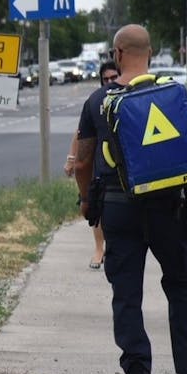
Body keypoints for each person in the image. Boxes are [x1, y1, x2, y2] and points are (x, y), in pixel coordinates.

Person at [74, 24, 187, 374]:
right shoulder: (170, 90)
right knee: (181, 285)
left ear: (117, 55)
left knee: (127, 293)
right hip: (169, 206)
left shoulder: (99, 100)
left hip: (118, 207)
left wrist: (86, 201)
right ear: (150, 53)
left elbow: (83, 160)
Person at [66, 60, 120, 270]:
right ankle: (99, 249)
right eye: (105, 79)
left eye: (113, 78)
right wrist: (72, 158)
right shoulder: (95, 101)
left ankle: (113, 248)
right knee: (95, 204)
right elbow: (81, 134)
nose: (109, 82)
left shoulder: (128, 97)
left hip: (120, 164)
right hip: (97, 160)